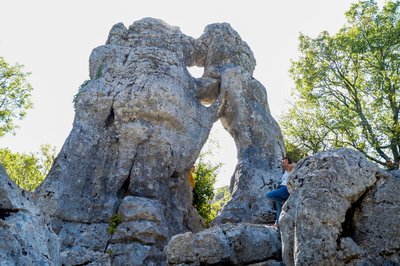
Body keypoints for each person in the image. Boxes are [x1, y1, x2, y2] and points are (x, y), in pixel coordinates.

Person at [266, 156, 294, 228]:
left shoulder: (290, 166)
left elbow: (296, 166)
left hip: (286, 188)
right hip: (282, 188)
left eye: (285, 160)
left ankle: (283, 201)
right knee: (279, 208)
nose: (283, 161)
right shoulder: (285, 171)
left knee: (269, 195)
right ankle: (277, 224)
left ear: (289, 161)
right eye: (282, 160)